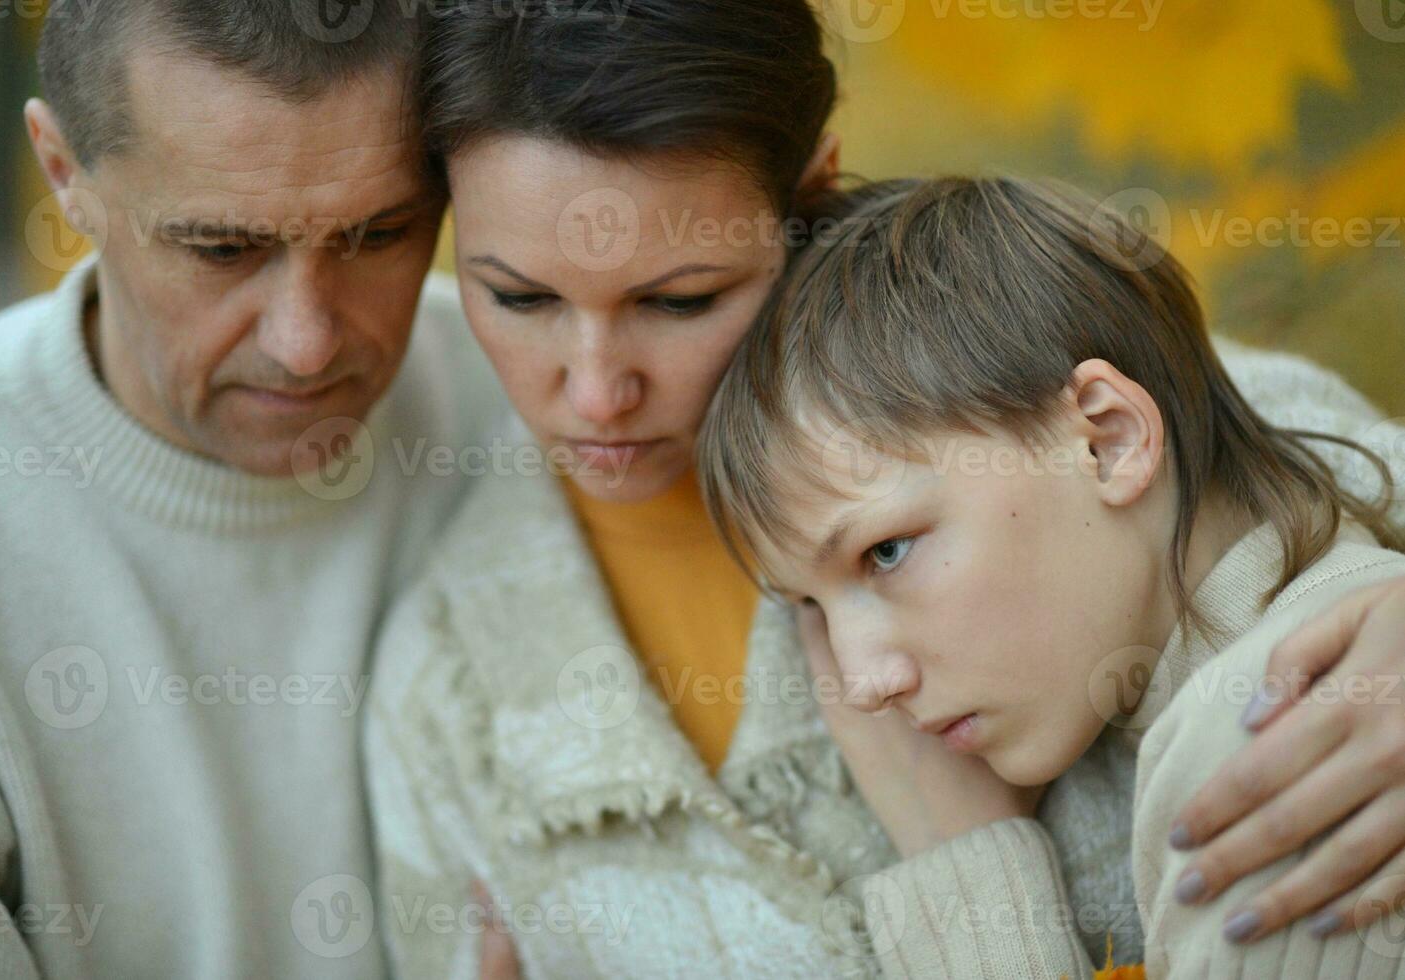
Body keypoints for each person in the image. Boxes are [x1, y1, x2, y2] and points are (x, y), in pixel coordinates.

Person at [364, 3, 1405, 975]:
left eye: (681, 299)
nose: (595, 392)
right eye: (517, 294)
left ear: (811, 188)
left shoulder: (1136, 420)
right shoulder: (452, 694)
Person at [696, 175, 1405, 977]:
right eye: (812, 610)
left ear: (1107, 440)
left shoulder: (1286, 732)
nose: (861, 686)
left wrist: (969, 881)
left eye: (885, 551)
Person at [0, 2, 505, 976]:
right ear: (64, 171)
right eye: (222, 249)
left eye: (378, 235)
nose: (305, 340)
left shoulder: (546, 410)